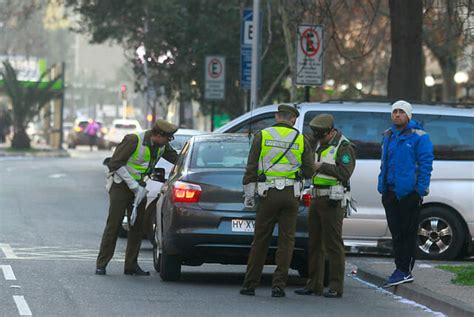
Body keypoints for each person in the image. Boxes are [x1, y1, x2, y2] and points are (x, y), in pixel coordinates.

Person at [240, 104, 315, 297]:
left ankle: (250, 284)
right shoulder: (301, 139)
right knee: (286, 241)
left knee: (260, 240)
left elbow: (251, 167)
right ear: (293, 120)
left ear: (276, 116)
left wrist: (249, 194)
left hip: (268, 194)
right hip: (291, 194)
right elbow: (309, 170)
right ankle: (278, 286)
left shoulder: (262, 135)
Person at [95, 119, 179, 276]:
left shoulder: (162, 146)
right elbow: (115, 164)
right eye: (167, 138)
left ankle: (131, 265)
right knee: (114, 224)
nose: (168, 142)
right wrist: (133, 185)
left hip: (140, 189)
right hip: (121, 187)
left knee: (137, 227)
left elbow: (177, 159)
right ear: (158, 134)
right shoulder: (134, 140)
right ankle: (102, 264)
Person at [295, 114, 356, 298]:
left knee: (333, 244)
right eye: (317, 136)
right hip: (315, 198)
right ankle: (314, 284)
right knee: (314, 243)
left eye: (322, 136)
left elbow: (345, 173)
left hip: (333, 200)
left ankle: (336, 286)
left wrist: (321, 166)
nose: (319, 140)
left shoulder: (344, 147)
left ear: (331, 131)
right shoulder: (316, 142)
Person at [378, 100, 433, 287]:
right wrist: (383, 186)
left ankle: (404, 270)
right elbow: (385, 162)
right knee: (396, 234)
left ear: (408, 115)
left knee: (408, 233)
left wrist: (418, 191)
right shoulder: (388, 135)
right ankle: (399, 268)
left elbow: (425, 165)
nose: (397, 115)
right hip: (390, 192)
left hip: (409, 193)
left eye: (401, 112)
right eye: (395, 111)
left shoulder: (419, 137)